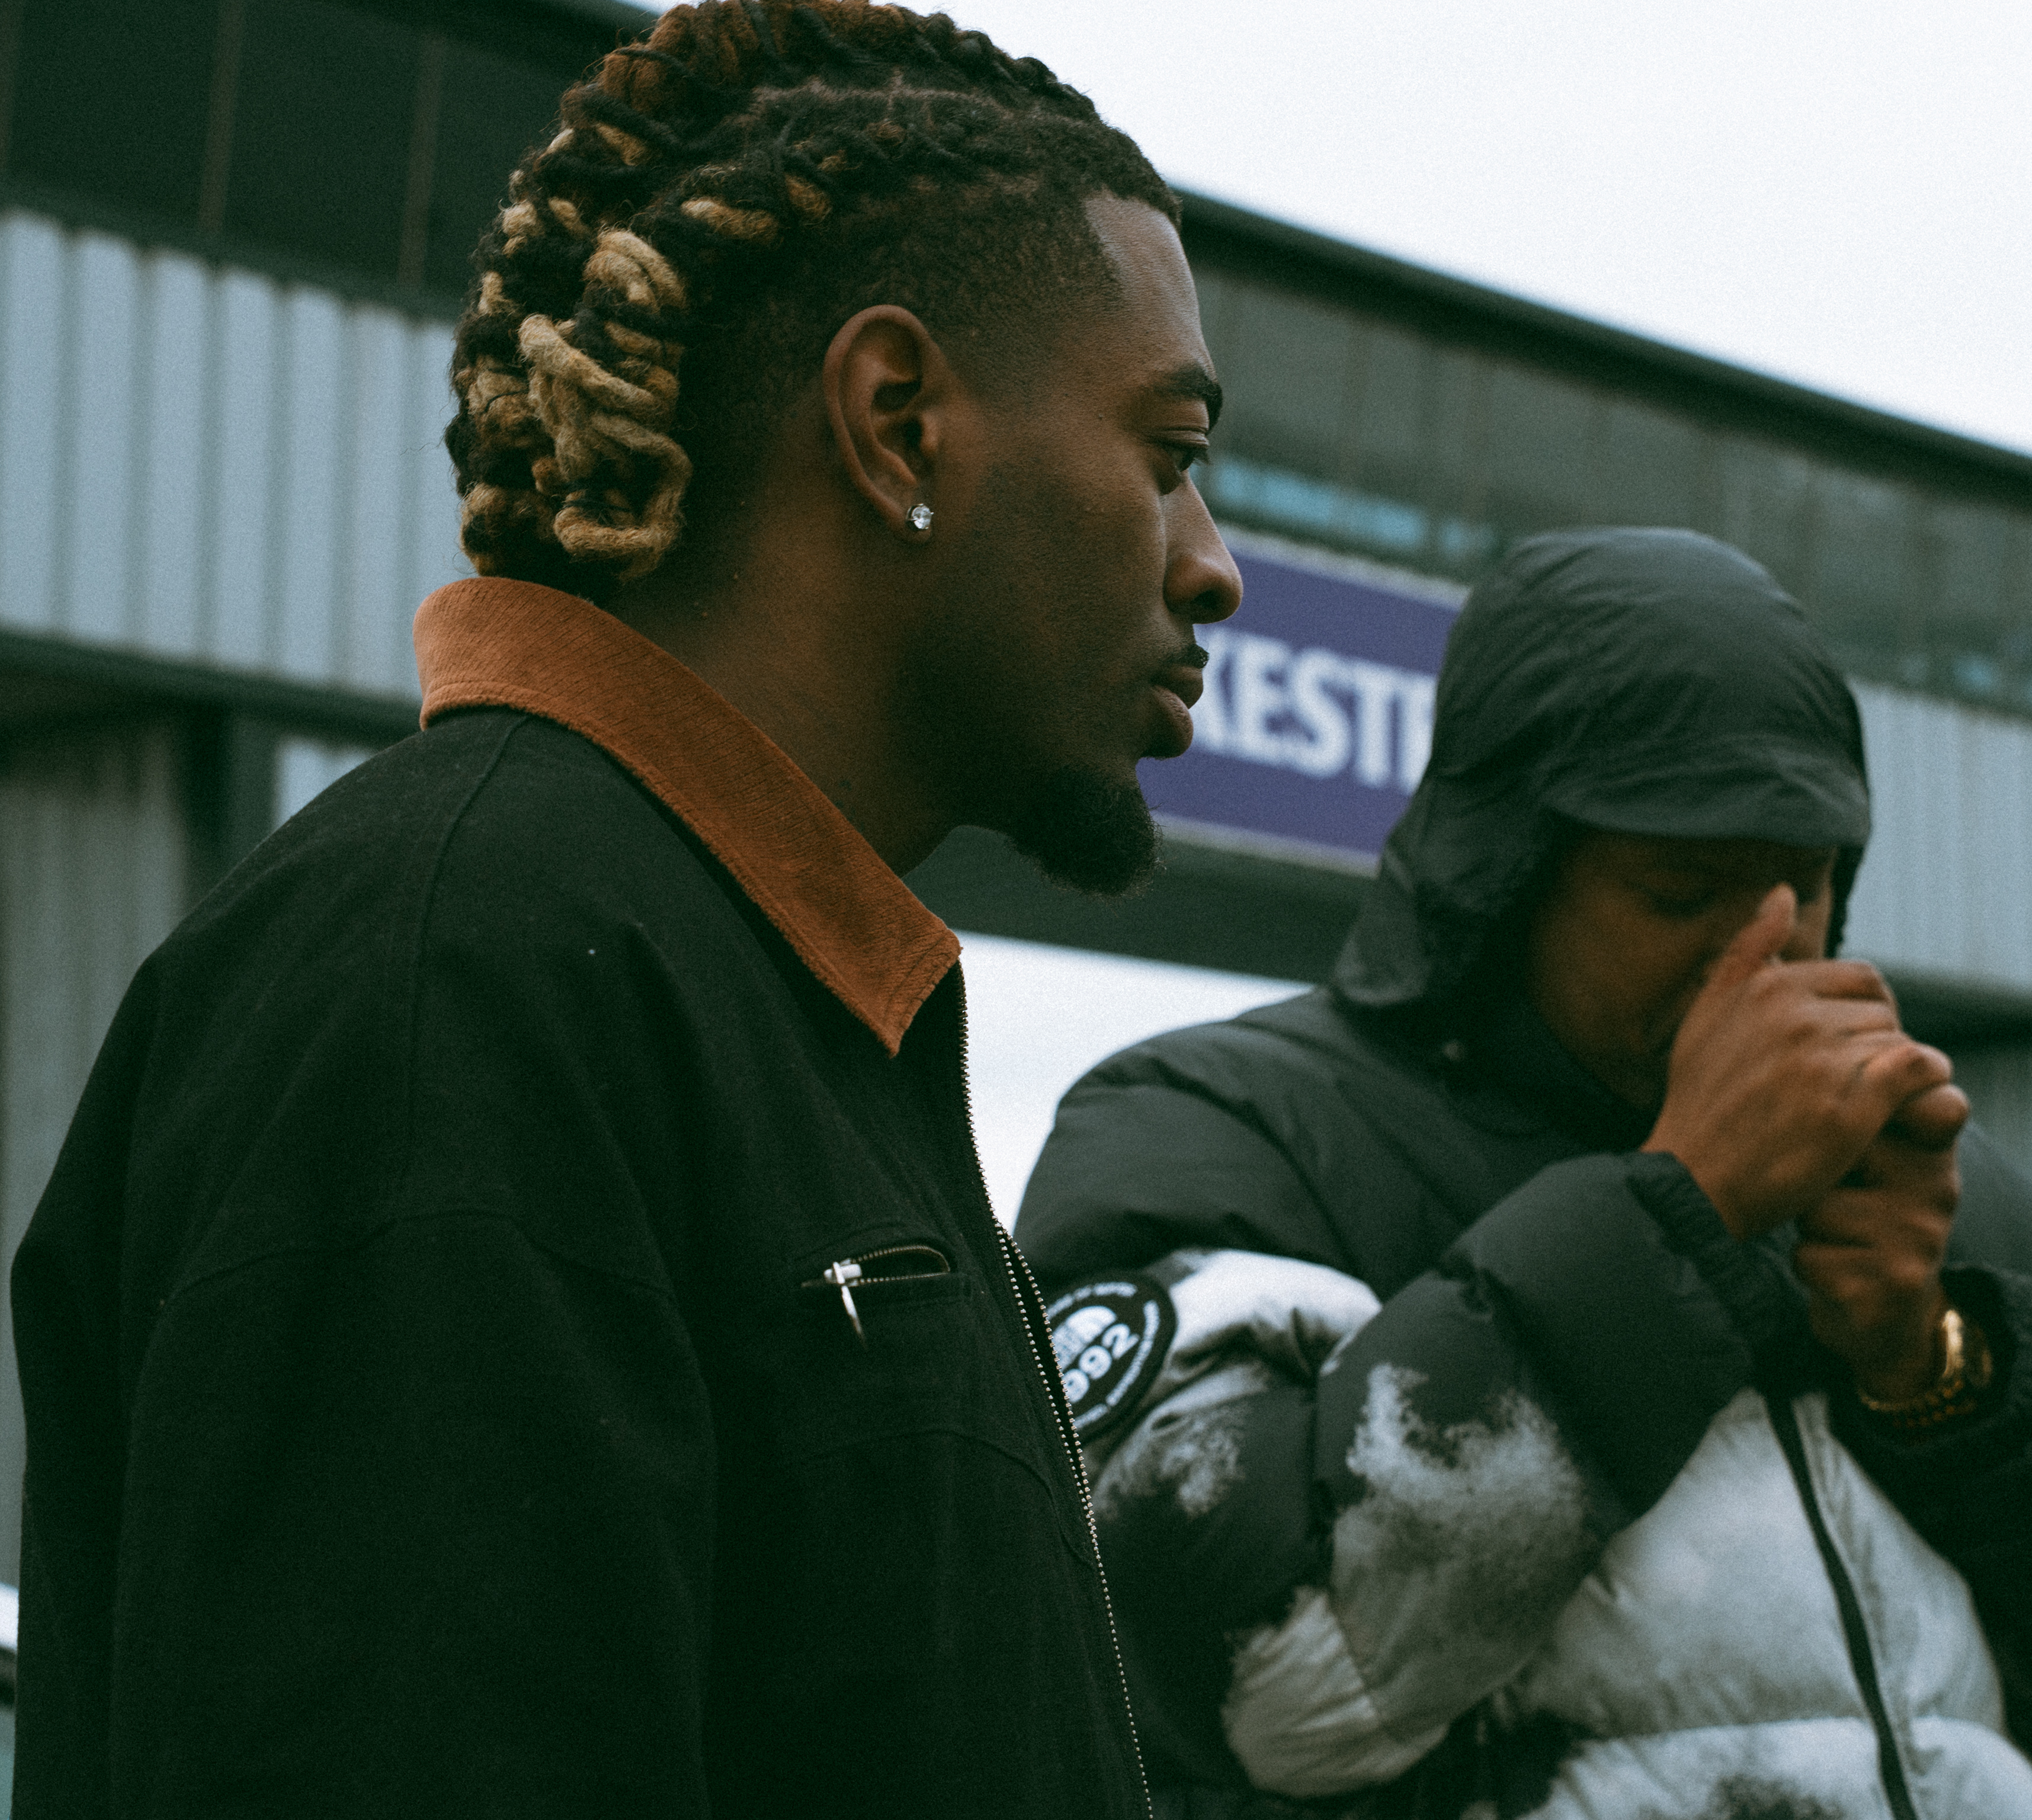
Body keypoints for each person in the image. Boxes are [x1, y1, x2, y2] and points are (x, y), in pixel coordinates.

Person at [10, 3, 1238, 1813]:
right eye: (1170, 452)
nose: (1211, 566)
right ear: (898, 425)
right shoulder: (456, 978)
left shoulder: (742, 988)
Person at [1017, 527, 2032, 1820]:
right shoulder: (1219, 1129)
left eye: (1807, 886)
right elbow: (1253, 1681)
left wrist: (1943, 1367)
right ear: (1500, 873)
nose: (1763, 956)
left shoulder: (1949, 1197)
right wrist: (1679, 1220)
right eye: (1682, 893)